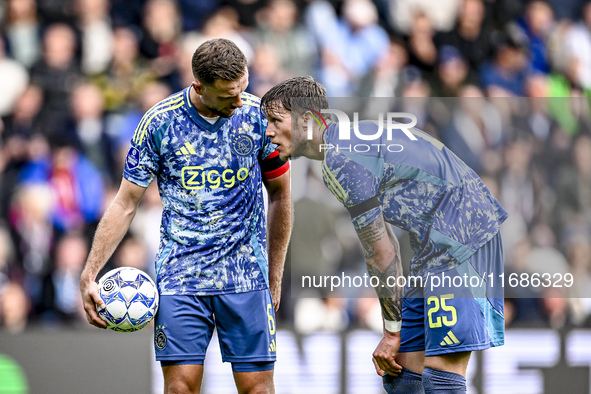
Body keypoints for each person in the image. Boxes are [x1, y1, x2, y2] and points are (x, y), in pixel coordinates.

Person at [260, 76, 507, 393]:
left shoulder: (340, 158)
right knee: (401, 376)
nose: (268, 132)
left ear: (306, 121)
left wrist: (391, 331)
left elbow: (381, 251)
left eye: (275, 120)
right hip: (435, 243)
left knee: (441, 380)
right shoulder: (351, 140)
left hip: (464, 234)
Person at [80, 38, 291, 394]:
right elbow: (125, 202)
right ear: (199, 86)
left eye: (243, 88)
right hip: (181, 278)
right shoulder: (159, 123)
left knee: (258, 390)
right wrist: (89, 273)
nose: (239, 101)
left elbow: (281, 194)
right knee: (179, 389)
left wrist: (275, 272)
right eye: (228, 95)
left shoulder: (258, 118)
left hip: (244, 277)